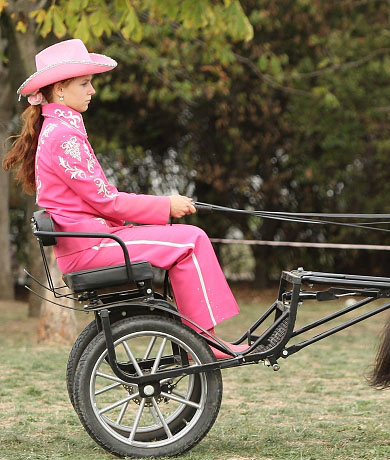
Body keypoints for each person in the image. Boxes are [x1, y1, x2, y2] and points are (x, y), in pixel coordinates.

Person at [3, 39, 246, 359]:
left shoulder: (60, 128)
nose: (92, 91)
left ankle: (200, 340)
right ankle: (204, 343)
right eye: (85, 84)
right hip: (92, 246)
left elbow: (99, 200)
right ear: (60, 88)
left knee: (189, 239)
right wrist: (165, 205)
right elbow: (105, 200)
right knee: (192, 240)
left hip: (90, 241)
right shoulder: (63, 135)